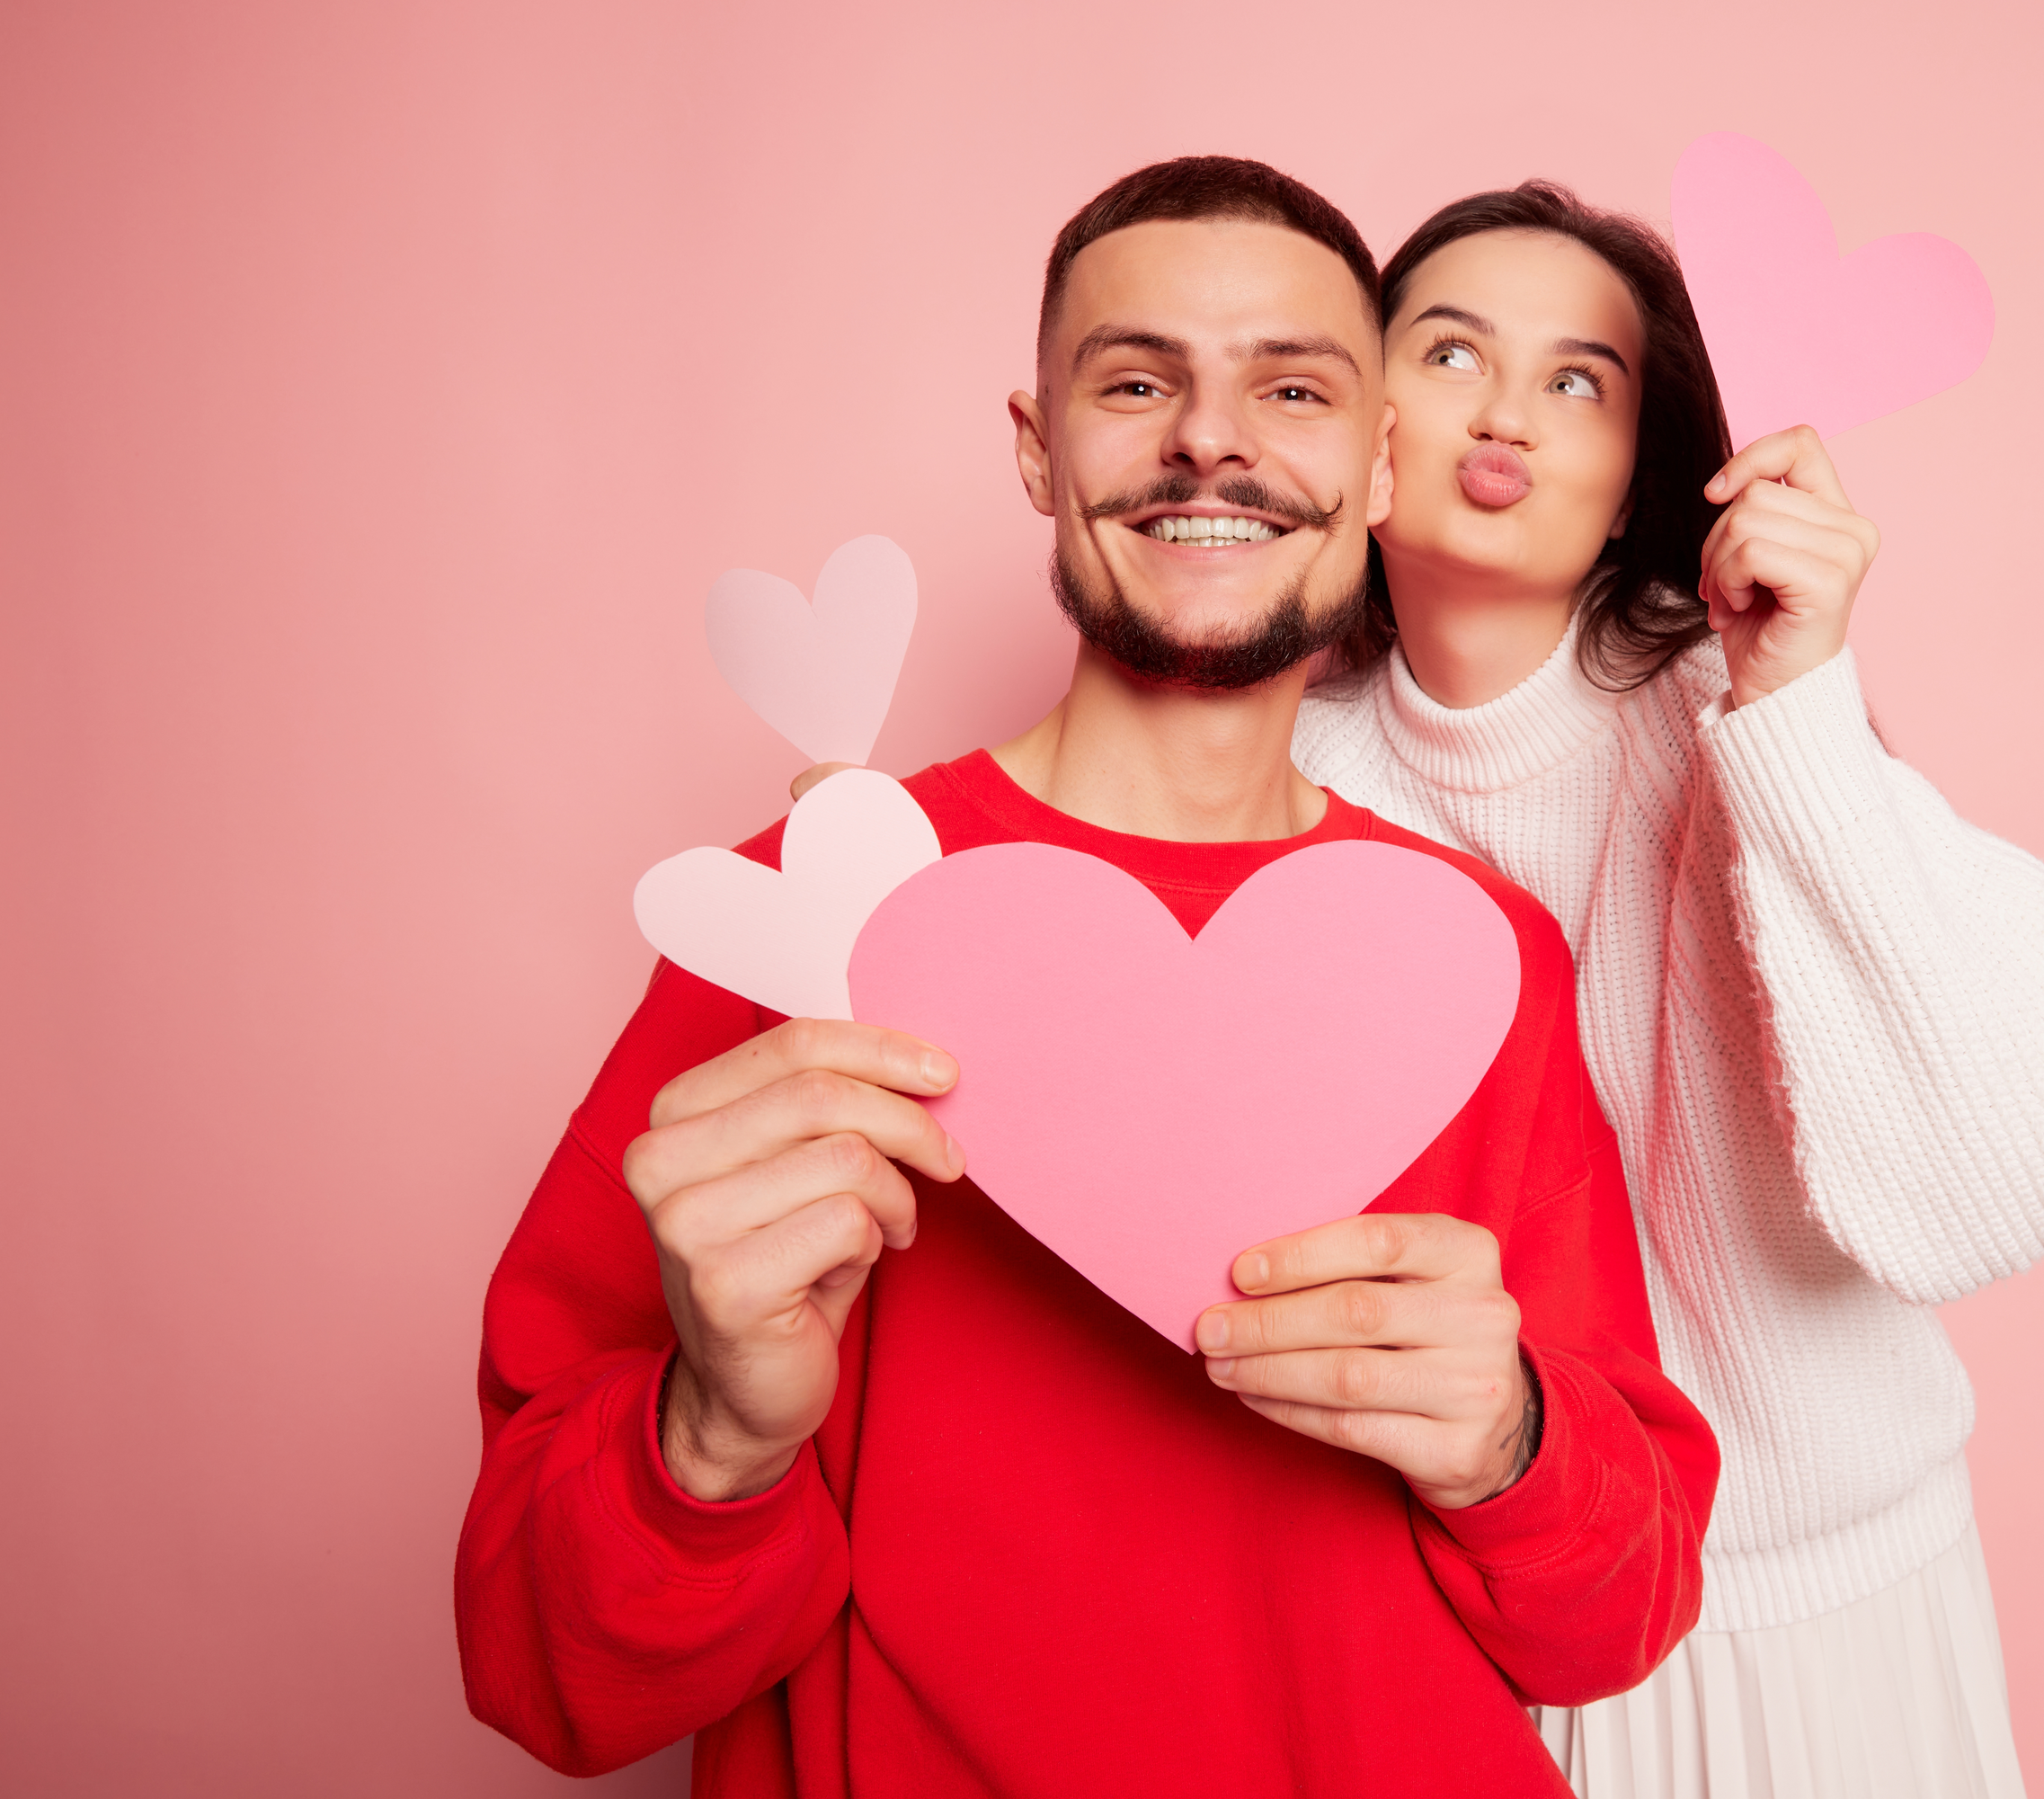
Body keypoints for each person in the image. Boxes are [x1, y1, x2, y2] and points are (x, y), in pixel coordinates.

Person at [800, 183, 2044, 1796]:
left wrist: (1802, 708)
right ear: (1364, 436)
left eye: (1580, 379)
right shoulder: (1268, 772)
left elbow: (2027, 1167)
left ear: (1640, 472)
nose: (1510, 409)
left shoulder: (1754, 715)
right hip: (1473, 1602)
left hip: (1821, 1606)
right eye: (1451, 352)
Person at [456, 157, 1719, 1798]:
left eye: (1292, 386)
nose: (1213, 438)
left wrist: (1513, 1442)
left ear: (1383, 464)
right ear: (1039, 453)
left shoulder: (1473, 956)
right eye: (1137, 383)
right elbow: (546, 1677)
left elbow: (1616, 1618)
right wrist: (712, 1432)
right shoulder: (804, 919)